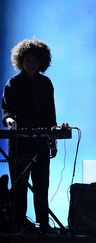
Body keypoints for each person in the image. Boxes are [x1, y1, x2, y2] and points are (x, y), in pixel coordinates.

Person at [1, 38, 57, 234]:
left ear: (41, 62)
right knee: (20, 186)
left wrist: (53, 141)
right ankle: (19, 223)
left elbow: (51, 115)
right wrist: (9, 122)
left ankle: (43, 223)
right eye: (27, 60)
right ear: (21, 61)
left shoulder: (46, 83)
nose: (31, 64)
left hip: (41, 142)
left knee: (42, 184)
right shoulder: (13, 83)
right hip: (19, 143)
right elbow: (6, 111)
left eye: (34, 61)